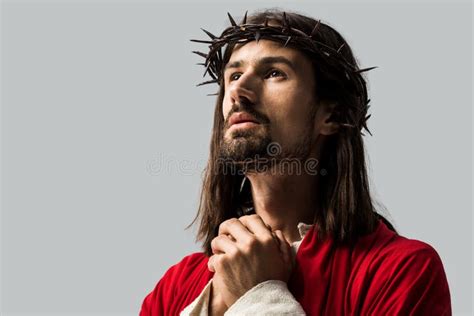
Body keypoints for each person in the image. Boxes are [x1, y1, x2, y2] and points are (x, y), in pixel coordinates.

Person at [140, 9, 451, 315]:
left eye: (274, 72)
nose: (238, 90)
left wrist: (260, 296)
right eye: (234, 75)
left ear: (331, 115)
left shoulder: (402, 272)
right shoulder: (175, 287)